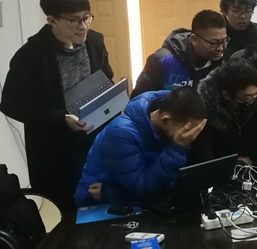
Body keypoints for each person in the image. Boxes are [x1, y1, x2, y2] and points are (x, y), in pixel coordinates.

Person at [0, 0, 113, 214]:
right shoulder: (30, 55)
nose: (83, 26)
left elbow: (105, 76)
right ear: (52, 20)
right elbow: (11, 104)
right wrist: (60, 118)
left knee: (97, 201)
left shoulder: (95, 41)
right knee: (65, 208)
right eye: (74, 20)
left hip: (94, 135)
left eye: (86, 17)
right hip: (54, 148)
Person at [74, 87, 207, 206]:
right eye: (187, 130)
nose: (191, 135)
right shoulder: (121, 134)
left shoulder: (172, 110)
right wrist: (177, 148)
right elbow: (142, 187)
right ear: (165, 120)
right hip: (98, 202)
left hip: (135, 194)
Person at [192, 59, 257, 170]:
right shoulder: (206, 116)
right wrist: (235, 165)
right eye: (247, 97)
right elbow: (203, 162)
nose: (254, 100)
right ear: (226, 95)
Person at [131, 9, 227, 98]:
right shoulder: (162, 61)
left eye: (224, 41)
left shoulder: (220, 65)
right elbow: (137, 101)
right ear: (194, 40)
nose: (220, 48)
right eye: (213, 43)